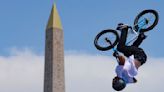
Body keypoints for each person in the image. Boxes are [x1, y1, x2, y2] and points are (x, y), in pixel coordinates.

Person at [112, 23, 147, 91]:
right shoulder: (119, 73)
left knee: (127, 53)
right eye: (114, 81)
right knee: (120, 48)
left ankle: (141, 37)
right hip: (138, 54)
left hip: (143, 58)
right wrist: (117, 55)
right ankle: (124, 29)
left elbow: (135, 81)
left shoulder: (128, 81)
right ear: (119, 81)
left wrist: (129, 76)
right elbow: (122, 60)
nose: (113, 79)